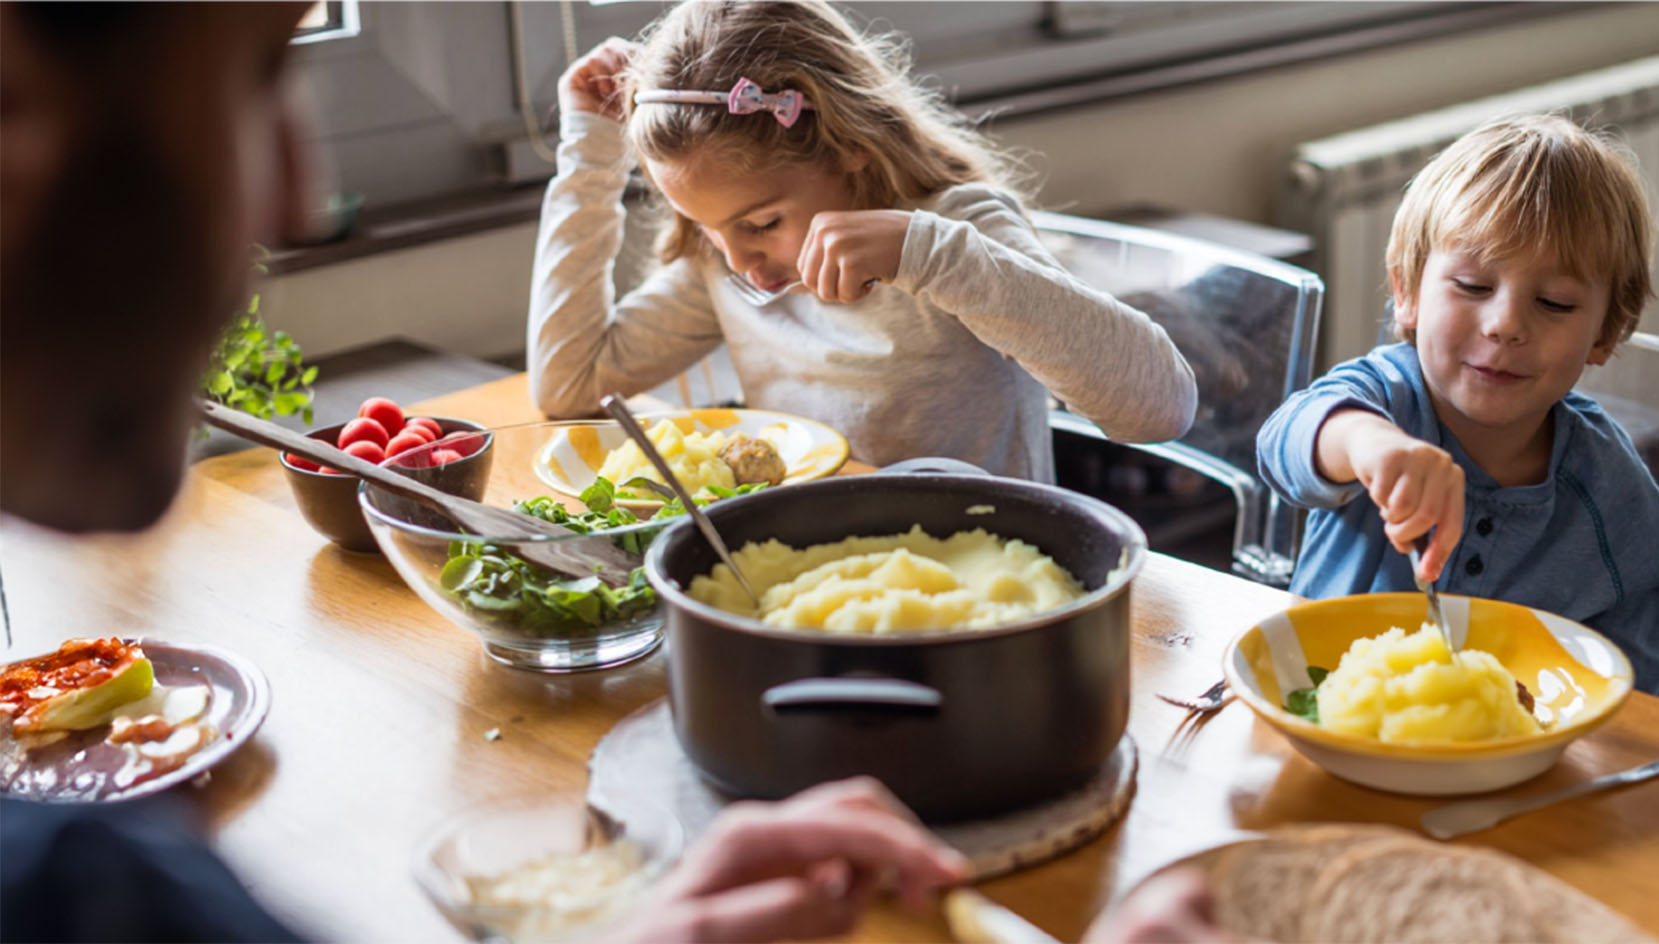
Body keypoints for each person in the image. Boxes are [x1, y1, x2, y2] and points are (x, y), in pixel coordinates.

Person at [0, 4, 963, 942]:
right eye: (255, 76)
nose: (300, 199)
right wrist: (589, 159)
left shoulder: (76, 876)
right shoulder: (81, 881)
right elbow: (572, 377)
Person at [528, 0, 1198, 481]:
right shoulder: (728, 265)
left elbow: (1161, 408)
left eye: (761, 224)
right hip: (818, 577)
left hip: (980, 580)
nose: (740, 263)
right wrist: (588, 157)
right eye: (709, 228)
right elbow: (570, 383)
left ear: (847, 146)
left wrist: (936, 256)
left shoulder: (954, 236)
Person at [1256, 114, 1659, 693]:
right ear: (1407, 292)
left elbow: (1633, 698)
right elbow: (1284, 442)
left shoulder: (1618, 501)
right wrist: (1368, 444)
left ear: (1607, 333)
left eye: (1555, 303)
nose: (1505, 325)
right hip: (1321, 721)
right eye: (1473, 287)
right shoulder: (1383, 396)